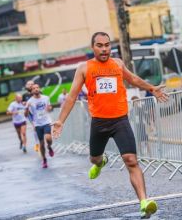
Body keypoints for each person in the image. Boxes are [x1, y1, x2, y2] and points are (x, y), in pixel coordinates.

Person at [52, 32, 168, 218]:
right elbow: (72, 96)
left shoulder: (118, 63)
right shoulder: (84, 68)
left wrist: (152, 88)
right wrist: (60, 121)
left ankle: (144, 202)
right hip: (99, 123)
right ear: (93, 47)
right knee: (94, 159)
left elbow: (134, 79)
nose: (104, 49)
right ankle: (100, 162)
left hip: (120, 120)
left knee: (131, 160)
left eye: (107, 45)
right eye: (100, 45)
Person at [25, 84, 54, 168]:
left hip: (46, 122)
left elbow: (50, 107)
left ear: (39, 89)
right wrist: (26, 108)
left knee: (48, 138)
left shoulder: (46, 98)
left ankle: (49, 147)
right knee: (41, 144)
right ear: (32, 91)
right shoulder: (30, 101)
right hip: (37, 124)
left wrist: (49, 108)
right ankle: (44, 159)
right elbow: (26, 115)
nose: (36, 89)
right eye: (34, 88)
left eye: (37, 87)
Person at [22, 80, 39, 152]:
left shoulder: (37, 92)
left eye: (31, 84)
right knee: (35, 127)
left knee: (40, 127)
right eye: (28, 84)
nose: (30, 85)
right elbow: (23, 103)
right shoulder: (25, 95)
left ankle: (41, 141)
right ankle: (37, 143)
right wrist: (25, 103)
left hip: (38, 112)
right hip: (30, 113)